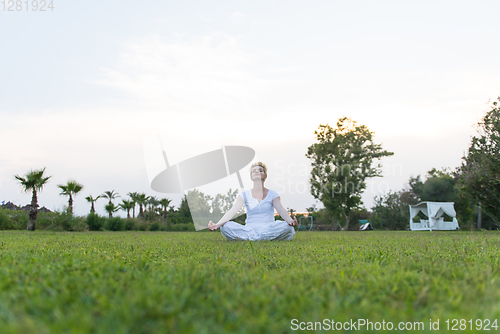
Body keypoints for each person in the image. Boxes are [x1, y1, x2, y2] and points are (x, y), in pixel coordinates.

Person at [208, 162, 298, 241]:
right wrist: (218, 224)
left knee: (288, 228)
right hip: (249, 229)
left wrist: (291, 222)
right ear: (251, 177)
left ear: (265, 176)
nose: (256, 172)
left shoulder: (273, 194)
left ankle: (251, 238)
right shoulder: (244, 194)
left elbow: (281, 209)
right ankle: (262, 238)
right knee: (225, 227)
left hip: (268, 228)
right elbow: (233, 211)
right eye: (254, 171)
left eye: (260, 170)